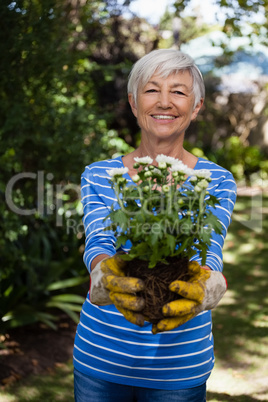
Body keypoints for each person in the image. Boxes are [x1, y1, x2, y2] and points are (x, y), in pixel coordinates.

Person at [73, 49, 237, 401]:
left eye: (178, 91)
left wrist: (211, 284)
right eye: (151, 90)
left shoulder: (216, 181)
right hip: (102, 359)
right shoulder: (100, 175)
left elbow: (210, 249)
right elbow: (99, 242)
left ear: (196, 106)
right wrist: (103, 275)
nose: (164, 102)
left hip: (179, 367)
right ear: (134, 104)